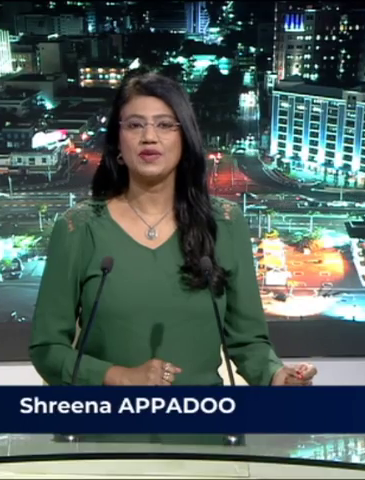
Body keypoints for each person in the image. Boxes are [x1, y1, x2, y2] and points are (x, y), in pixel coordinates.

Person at [30, 71, 317, 390]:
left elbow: (249, 341)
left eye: (165, 125)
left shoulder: (225, 222)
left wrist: (277, 375)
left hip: (202, 417)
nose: (149, 137)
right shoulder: (78, 228)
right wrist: (119, 377)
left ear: (185, 139)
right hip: (107, 419)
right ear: (118, 143)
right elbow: (47, 349)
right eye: (135, 125)